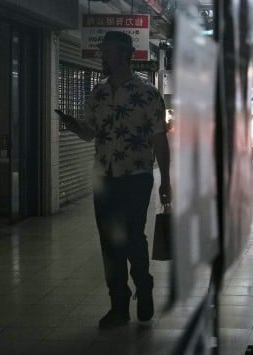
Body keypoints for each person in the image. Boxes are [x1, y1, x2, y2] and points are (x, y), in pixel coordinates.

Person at [56, 31, 171, 330]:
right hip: (104, 177)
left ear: (125, 55)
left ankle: (143, 286)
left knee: (133, 236)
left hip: (136, 177)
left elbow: (159, 139)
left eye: (108, 52)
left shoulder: (147, 94)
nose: (103, 57)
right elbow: (89, 133)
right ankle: (118, 305)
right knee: (109, 243)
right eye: (103, 52)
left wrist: (166, 180)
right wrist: (74, 126)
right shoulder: (98, 93)